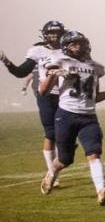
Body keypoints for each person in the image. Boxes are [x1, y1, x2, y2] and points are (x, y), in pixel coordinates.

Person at [38, 31, 105, 205]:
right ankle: (52, 173)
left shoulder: (96, 67)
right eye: (74, 44)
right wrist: (54, 75)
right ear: (66, 46)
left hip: (89, 117)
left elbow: (94, 97)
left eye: (80, 43)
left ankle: (100, 190)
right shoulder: (60, 61)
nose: (78, 46)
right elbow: (43, 91)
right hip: (66, 115)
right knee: (65, 159)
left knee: (94, 152)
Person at [1, 20, 68, 185]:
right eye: (51, 32)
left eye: (57, 32)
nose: (55, 36)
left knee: (65, 134)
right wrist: (6, 61)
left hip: (66, 95)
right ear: (45, 34)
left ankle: (54, 170)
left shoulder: (68, 48)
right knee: (51, 133)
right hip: (45, 94)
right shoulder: (37, 49)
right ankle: (53, 175)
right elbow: (21, 72)